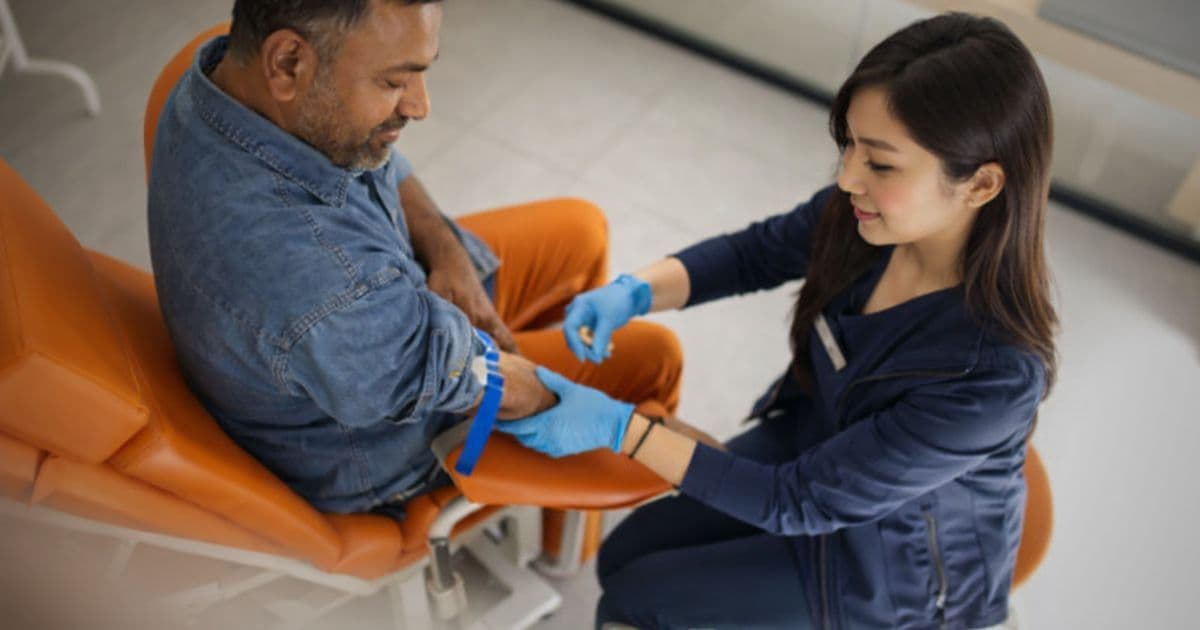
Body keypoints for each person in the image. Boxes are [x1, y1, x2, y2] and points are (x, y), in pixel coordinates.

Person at [500, 12, 1059, 629]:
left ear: (980, 183)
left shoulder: (993, 375)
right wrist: (634, 291)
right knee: (624, 559)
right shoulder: (864, 220)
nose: (848, 178)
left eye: (880, 163)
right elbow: (754, 254)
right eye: (848, 145)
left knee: (634, 603)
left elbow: (798, 501)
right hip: (808, 448)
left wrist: (618, 428)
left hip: (883, 573)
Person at [146, 0, 682, 520]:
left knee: (580, 227)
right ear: (287, 61)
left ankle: (554, 516)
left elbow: (380, 163)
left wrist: (449, 255)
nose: (421, 105)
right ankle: (566, 544)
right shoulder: (321, 285)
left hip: (379, 322)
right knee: (653, 358)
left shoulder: (227, 80)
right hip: (384, 438)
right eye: (395, 82)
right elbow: (446, 370)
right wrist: (556, 399)